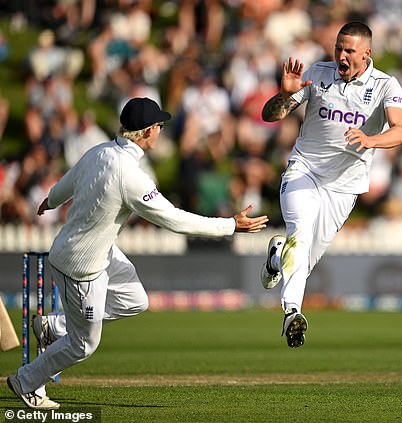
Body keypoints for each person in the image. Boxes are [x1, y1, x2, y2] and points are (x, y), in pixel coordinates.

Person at [6, 97, 269, 409]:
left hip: (98, 252)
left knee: (135, 300)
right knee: (84, 344)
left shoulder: (100, 150)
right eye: (158, 126)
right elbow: (174, 219)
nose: (160, 131)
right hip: (81, 267)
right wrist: (229, 226)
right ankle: (26, 381)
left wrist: (50, 200)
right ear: (147, 132)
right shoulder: (129, 176)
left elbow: (69, 181)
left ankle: (53, 327)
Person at [259, 22, 402, 348]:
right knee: (299, 233)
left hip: (344, 187)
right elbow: (270, 116)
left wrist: (370, 139)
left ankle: (275, 257)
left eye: (349, 51)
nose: (341, 55)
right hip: (304, 171)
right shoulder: (317, 71)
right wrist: (284, 95)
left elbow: (401, 130)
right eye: (338, 48)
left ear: (367, 53)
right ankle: (292, 313)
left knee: (304, 261)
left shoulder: (385, 85)